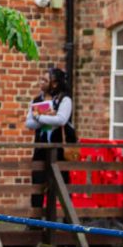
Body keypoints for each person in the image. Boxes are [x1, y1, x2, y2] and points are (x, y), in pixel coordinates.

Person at [26, 67, 76, 210]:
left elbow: (61, 120)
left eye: (45, 80)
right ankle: (36, 220)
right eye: (41, 79)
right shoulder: (37, 100)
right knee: (37, 188)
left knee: (63, 189)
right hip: (40, 150)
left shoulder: (64, 99)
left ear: (54, 83)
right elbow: (29, 123)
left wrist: (39, 117)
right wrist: (45, 117)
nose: (41, 82)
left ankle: (67, 220)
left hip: (59, 150)